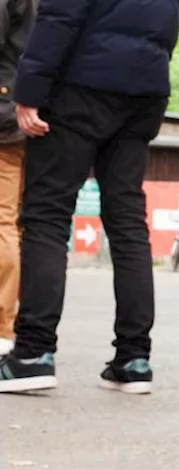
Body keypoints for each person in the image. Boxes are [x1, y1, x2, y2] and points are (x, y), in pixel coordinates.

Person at [0, 0, 179, 394]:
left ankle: (32, 354)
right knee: (128, 221)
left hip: (80, 85)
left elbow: (61, 15)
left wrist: (28, 89)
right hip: (145, 89)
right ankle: (134, 359)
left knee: (46, 216)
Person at [0, 0, 34, 358]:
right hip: (34, 111)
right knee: (22, 224)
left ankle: (2, 325)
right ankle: (17, 326)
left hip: (6, 114)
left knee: (3, 220)